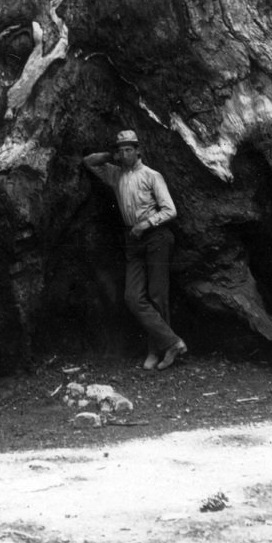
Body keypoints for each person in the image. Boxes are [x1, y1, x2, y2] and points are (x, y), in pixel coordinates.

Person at [83, 129, 187, 371]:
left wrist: (146, 224)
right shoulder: (115, 174)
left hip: (156, 236)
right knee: (132, 296)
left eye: (129, 149)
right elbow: (89, 162)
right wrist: (111, 154)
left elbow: (170, 210)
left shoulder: (151, 176)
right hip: (133, 238)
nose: (125, 153)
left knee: (157, 294)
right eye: (121, 150)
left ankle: (157, 350)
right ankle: (172, 342)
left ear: (139, 150)